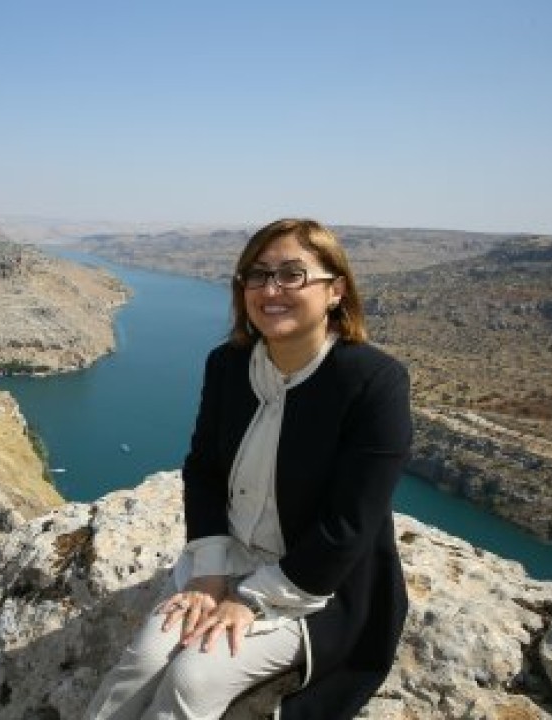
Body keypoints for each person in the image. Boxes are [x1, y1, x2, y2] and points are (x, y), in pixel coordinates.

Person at [85, 218, 412, 720]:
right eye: (256, 275)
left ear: (335, 290)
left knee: (194, 676)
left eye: (292, 274)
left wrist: (252, 600)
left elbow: (351, 525)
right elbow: (204, 470)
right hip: (229, 556)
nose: (270, 290)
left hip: (315, 584)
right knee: (143, 661)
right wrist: (210, 575)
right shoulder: (229, 365)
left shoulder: (374, 382)